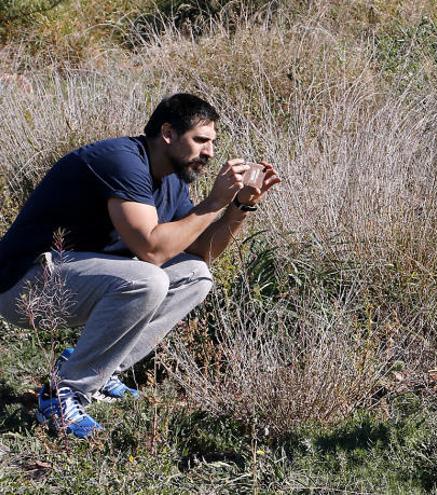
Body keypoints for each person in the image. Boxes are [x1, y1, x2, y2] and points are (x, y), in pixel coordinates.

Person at [0, 93, 281, 438]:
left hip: (74, 281)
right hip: (24, 288)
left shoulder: (173, 178)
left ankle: (100, 373)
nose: (209, 152)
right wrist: (213, 201)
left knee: (195, 276)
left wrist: (239, 207)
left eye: (212, 143)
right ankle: (64, 393)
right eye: (200, 140)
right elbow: (151, 250)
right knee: (147, 279)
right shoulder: (122, 161)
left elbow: (200, 251)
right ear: (167, 133)